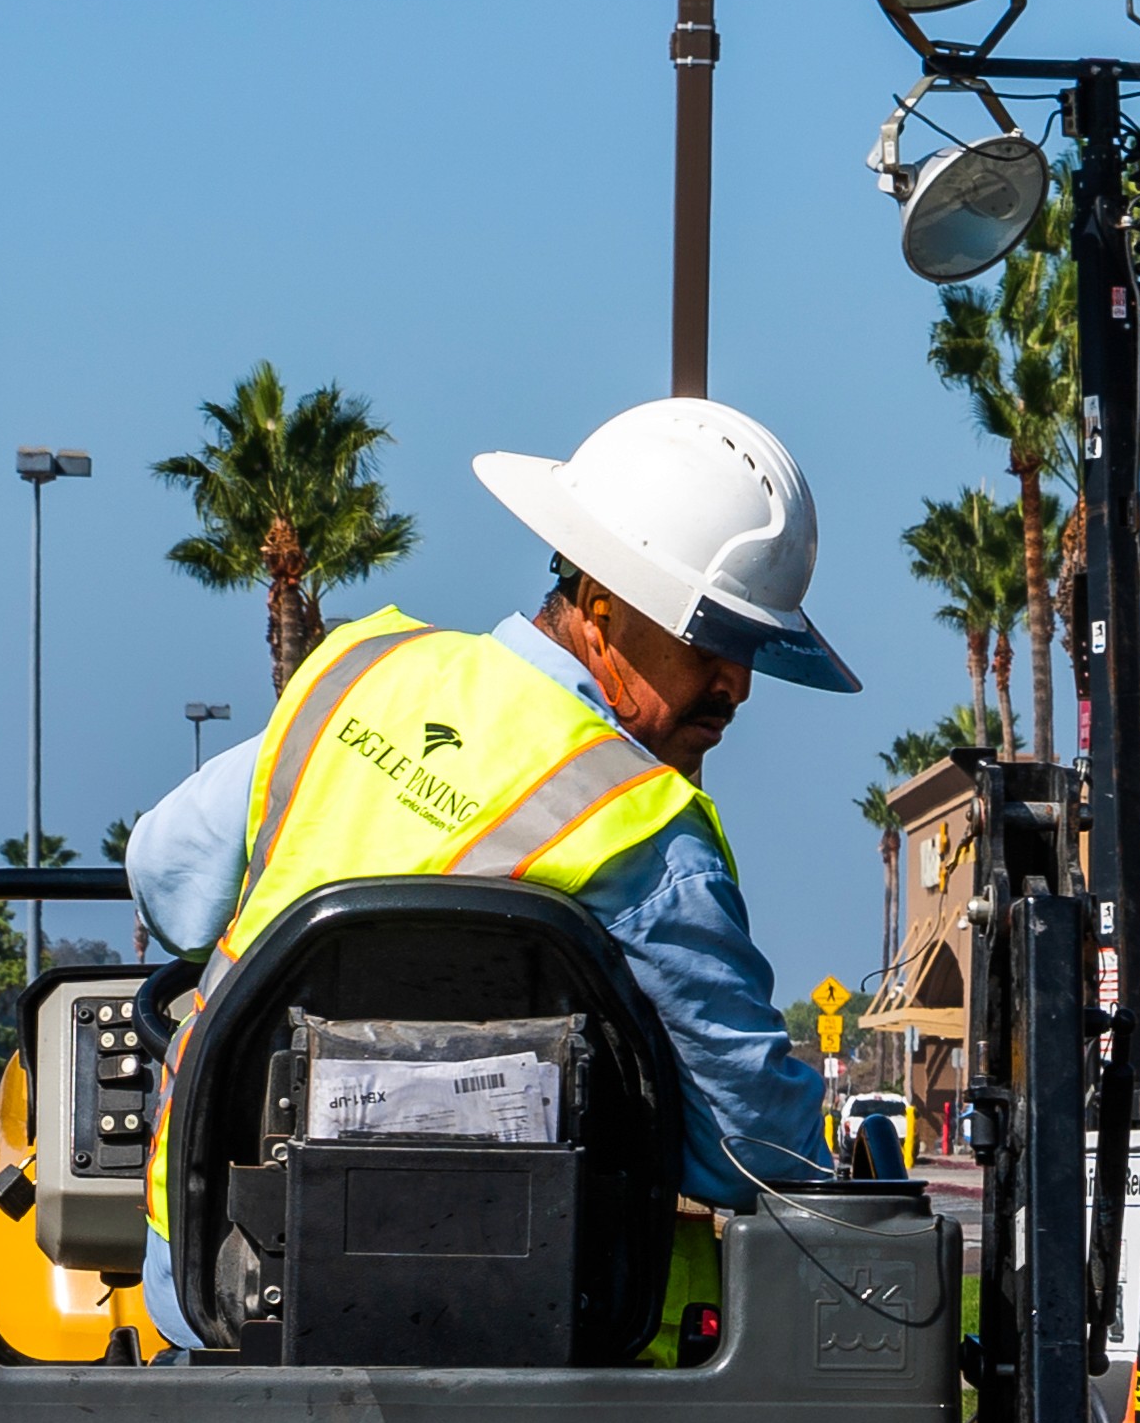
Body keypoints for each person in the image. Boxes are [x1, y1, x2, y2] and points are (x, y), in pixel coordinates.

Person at [127, 397, 854, 1337]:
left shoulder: (358, 675)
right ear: (598, 609)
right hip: (533, 1341)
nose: (738, 683)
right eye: (712, 639)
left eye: (750, 648)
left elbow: (165, 877)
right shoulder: (643, 829)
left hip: (213, 1283)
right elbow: (758, 1152)